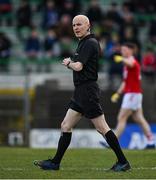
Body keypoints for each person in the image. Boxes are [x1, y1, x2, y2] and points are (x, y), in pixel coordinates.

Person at [34, 15, 131, 172]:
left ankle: (123, 161)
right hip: (81, 91)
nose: (76, 27)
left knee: (102, 128)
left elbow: (78, 67)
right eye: (73, 25)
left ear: (88, 25)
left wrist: (68, 63)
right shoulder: (84, 42)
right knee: (65, 125)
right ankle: (55, 163)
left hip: (87, 91)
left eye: (79, 24)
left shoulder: (90, 43)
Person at [110, 42, 155, 149]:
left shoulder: (132, 60)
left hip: (132, 94)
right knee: (139, 118)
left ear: (131, 51)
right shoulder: (126, 65)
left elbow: (131, 63)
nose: (122, 52)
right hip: (134, 94)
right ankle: (151, 141)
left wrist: (121, 59)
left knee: (121, 117)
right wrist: (118, 93)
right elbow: (125, 82)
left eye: (125, 50)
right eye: (122, 50)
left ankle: (113, 142)